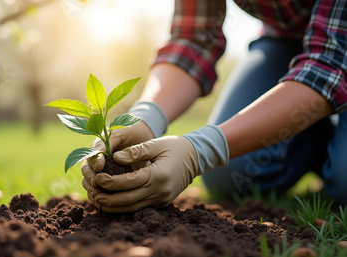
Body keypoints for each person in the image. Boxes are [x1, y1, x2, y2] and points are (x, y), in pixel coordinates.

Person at [81, 0, 347, 213]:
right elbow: (193, 41)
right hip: (288, 42)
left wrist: (202, 149)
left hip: (335, 52)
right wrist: (146, 116)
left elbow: (330, 66)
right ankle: (321, 141)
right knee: (231, 173)